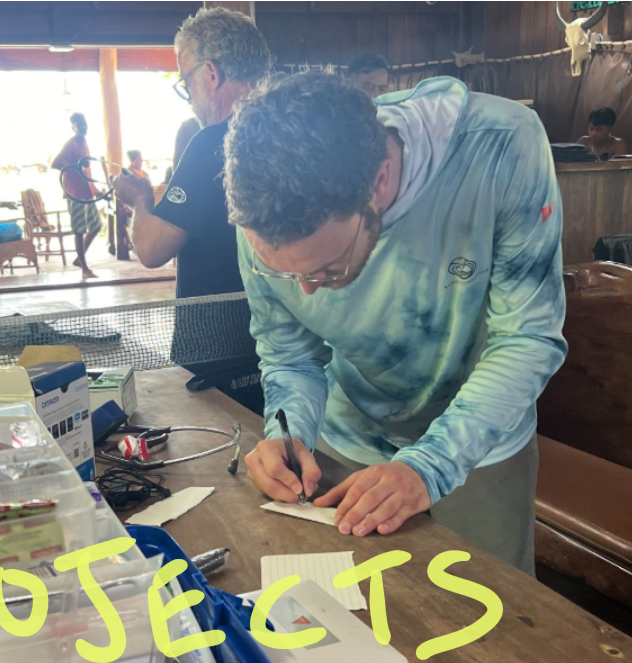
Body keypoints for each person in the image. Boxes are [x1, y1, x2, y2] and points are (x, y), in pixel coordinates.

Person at [225, 72, 567, 575]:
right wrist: (291, 431)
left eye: (326, 267)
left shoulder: (502, 146)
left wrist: (427, 466)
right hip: (348, 441)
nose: (307, 290)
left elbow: (527, 337)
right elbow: (292, 354)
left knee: (490, 626)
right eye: (282, 270)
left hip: (481, 442)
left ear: (379, 182)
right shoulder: (259, 207)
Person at [113, 6, 272, 299]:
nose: (189, 100)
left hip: (214, 332)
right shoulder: (289, 134)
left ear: (211, 73)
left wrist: (139, 201)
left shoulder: (213, 143)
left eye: (186, 82)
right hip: (278, 328)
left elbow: (152, 250)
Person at [52, 112, 103, 279]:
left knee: (96, 225)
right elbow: (56, 163)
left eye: (84, 123)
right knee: (79, 230)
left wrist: (94, 188)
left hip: (86, 191)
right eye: (78, 124)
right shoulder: (71, 144)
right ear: (73, 127)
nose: (82, 127)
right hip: (75, 193)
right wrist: (74, 167)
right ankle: (84, 269)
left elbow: (86, 168)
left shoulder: (84, 142)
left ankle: (78, 260)